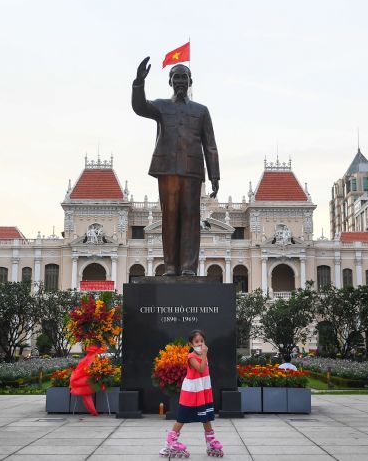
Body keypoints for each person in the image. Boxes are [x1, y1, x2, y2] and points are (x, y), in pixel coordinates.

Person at [132, 58, 220, 276]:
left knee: (191, 217)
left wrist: (214, 175)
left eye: (184, 77)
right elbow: (140, 107)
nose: (180, 81)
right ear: (170, 81)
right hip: (168, 168)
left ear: (190, 81)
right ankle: (171, 266)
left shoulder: (201, 110)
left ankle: (189, 267)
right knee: (169, 217)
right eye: (176, 77)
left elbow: (210, 144)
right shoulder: (161, 106)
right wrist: (138, 83)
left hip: (193, 171)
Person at [160, 329, 223, 458]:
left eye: (201, 341)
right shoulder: (191, 357)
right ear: (190, 344)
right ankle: (170, 442)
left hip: (203, 390)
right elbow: (200, 369)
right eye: (196, 341)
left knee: (206, 417)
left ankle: (211, 441)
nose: (200, 344)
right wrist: (204, 354)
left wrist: (204, 355)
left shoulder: (203, 356)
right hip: (191, 392)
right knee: (182, 417)